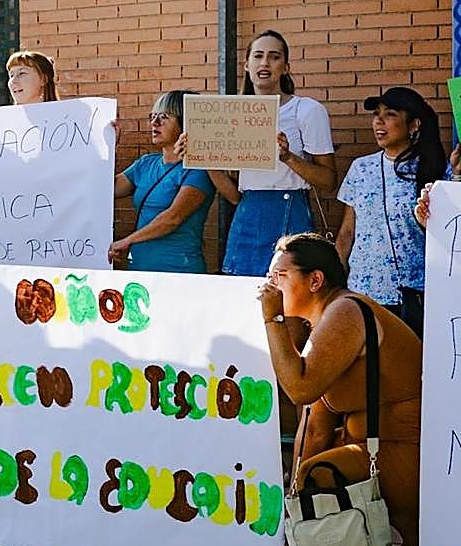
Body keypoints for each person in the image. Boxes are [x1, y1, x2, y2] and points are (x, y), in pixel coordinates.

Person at [258, 233, 427, 546]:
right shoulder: (327, 318)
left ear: (315, 280)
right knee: (312, 472)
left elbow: (299, 388)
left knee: (322, 477)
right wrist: (295, 493)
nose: (270, 286)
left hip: (413, 450)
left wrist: (272, 319)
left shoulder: (346, 312)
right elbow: (314, 424)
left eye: (280, 275)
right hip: (380, 447)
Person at [204, 30, 337, 276]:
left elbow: (328, 181)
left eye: (274, 57)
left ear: (286, 67)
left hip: (290, 211)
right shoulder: (232, 114)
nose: (264, 63)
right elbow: (234, 196)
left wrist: (288, 157)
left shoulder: (306, 110)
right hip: (247, 213)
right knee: (244, 297)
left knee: (291, 300)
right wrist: (202, 158)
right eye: (258, 56)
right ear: (246, 65)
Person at [335, 87, 446, 338]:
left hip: (417, 293)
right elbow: (347, 232)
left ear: (414, 125)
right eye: (376, 114)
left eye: (390, 114)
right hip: (364, 291)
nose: (379, 121)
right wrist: (336, 282)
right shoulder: (360, 168)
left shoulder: (434, 169)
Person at [110, 91, 215, 272]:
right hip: (140, 269)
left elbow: (172, 218)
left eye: (164, 117)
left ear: (186, 123)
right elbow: (106, 189)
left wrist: (128, 240)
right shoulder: (145, 163)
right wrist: (111, 147)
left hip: (178, 270)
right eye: (153, 116)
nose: (155, 123)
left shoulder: (198, 170)